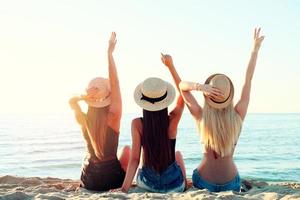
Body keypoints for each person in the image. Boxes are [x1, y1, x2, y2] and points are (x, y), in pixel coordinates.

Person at [162, 28, 265, 192]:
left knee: (194, 174)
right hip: (231, 183)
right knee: (242, 181)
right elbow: (248, 79)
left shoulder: (201, 117)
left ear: (207, 96)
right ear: (229, 95)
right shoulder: (238, 115)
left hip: (204, 181)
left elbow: (182, 87)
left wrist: (199, 86)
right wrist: (255, 49)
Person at [69, 32, 130, 191]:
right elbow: (115, 82)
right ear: (108, 96)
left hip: (90, 180)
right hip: (113, 180)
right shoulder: (113, 117)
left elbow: (72, 101)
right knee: (128, 151)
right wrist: (109, 54)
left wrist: (84, 97)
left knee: (87, 156)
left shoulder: (84, 120)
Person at [120, 76, 187, 193]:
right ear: (165, 100)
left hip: (148, 185)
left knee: (143, 160)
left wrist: (124, 189)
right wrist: (170, 66)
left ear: (143, 102)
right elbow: (184, 94)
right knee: (178, 155)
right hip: (175, 186)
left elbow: (135, 159)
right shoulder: (173, 120)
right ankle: (185, 183)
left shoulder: (137, 124)